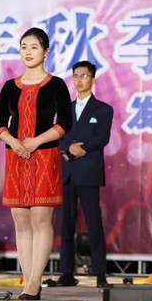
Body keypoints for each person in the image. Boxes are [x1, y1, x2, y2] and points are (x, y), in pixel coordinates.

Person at [0, 27, 72, 300]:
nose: (28, 52)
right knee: (21, 220)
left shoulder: (56, 84)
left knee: (40, 218)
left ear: (46, 52)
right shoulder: (9, 86)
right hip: (15, 157)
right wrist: (13, 142)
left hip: (44, 156)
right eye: (24, 47)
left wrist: (36, 141)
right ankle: (28, 281)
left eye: (34, 47)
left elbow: (65, 123)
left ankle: (35, 282)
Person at [55, 60, 113, 289]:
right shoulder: (65, 109)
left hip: (89, 174)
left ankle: (100, 273)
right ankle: (66, 273)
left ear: (93, 80)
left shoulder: (103, 109)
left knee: (93, 223)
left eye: (84, 76)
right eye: (76, 76)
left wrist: (82, 148)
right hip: (67, 173)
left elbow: (103, 138)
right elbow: (57, 136)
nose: (79, 80)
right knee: (66, 224)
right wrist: (68, 147)